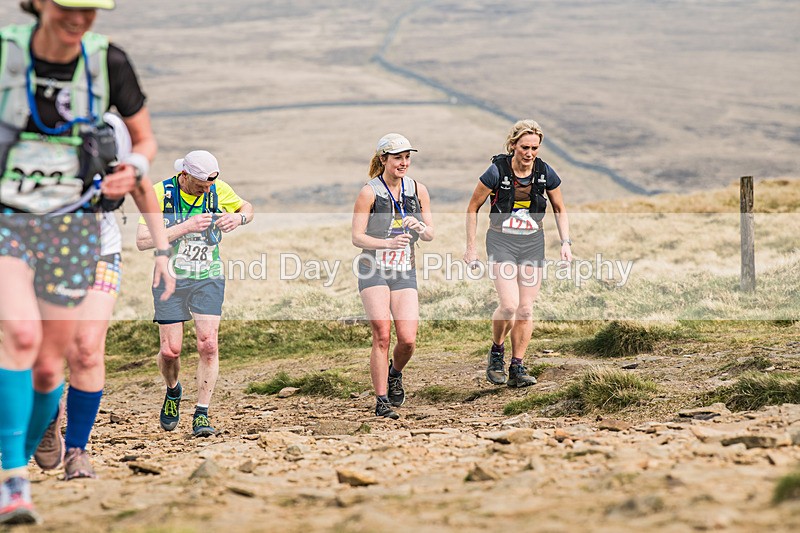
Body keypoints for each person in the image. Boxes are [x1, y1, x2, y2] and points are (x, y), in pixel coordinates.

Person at [0, 0, 168, 524]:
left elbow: (143, 154)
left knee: (61, 361)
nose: (79, 17)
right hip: (13, 222)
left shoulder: (108, 70)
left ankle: (40, 446)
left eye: (90, 9)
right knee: (21, 337)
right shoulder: (6, 55)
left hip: (80, 235)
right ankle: (13, 482)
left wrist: (135, 174)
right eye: (68, 7)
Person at [33, 113, 175, 481]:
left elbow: (140, 186)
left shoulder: (110, 128)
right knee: (44, 358)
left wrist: (162, 252)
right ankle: (49, 419)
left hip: (99, 249)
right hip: (34, 253)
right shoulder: (19, 122)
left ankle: (78, 449)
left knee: (87, 348)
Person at [136, 150, 253, 438]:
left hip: (208, 277)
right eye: (201, 186)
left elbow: (247, 207)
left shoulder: (217, 188)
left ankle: (202, 413)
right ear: (185, 176)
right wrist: (185, 226)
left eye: (210, 185)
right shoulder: (160, 194)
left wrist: (239, 220)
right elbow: (142, 241)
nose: (207, 190)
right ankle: (173, 391)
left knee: (208, 345)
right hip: (169, 279)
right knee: (170, 351)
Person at [464, 120, 572, 388]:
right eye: (524, 147)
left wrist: (565, 242)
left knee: (525, 309)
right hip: (501, 242)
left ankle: (518, 366)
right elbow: (472, 208)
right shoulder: (495, 171)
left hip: (533, 242)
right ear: (513, 145)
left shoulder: (545, 172)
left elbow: (559, 208)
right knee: (509, 305)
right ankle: (497, 352)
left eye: (535, 147)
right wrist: (470, 248)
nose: (530, 153)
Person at [351, 133, 434, 420]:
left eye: (407, 157)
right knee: (382, 334)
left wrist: (419, 227)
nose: (404, 162)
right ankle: (382, 399)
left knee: (408, 339)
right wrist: (386, 243)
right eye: (398, 157)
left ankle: (395, 373)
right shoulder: (369, 192)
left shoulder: (417, 189)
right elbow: (357, 237)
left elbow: (431, 233)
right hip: (373, 268)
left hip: (404, 270)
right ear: (383, 159)